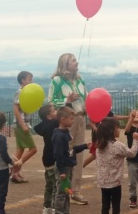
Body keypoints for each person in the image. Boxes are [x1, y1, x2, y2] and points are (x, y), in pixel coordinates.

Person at [48, 53, 88, 205]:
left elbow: (87, 96)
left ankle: (75, 191)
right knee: (67, 155)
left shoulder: (80, 78)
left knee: (78, 155)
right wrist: (67, 100)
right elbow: (51, 101)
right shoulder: (57, 81)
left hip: (80, 117)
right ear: (65, 64)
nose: (76, 62)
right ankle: (64, 190)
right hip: (66, 121)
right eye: (73, 61)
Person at [95, 117, 138, 214]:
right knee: (116, 206)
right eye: (117, 128)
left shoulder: (99, 145)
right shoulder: (117, 145)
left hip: (103, 182)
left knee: (105, 205)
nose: (119, 130)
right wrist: (136, 140)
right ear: (111, 130)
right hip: (115, 183)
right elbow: (132, 153)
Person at [52, 106, 90, 214]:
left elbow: (71, 149)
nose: (73, 121)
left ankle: (65, 211)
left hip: (68, 167)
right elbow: (58, 155)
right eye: (71, 119)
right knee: (61, 194)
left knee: (67, 192)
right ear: (63, 119)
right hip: (63, 168)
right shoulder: (59, 135)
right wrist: (62, 171)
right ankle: (59, 211)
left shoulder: (66, 133)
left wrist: (85, 146)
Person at [34, 103, 70, 214]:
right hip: (54, 158)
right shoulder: (54, 124)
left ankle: (47, 207)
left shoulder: (43, 126)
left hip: (46, 158)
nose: (56, 112)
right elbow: (65, 118)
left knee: (49, 184)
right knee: (56, 185)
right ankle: (55, 207)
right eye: (54, 111)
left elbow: (36, 127)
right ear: (49, 116)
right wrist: (68, 103)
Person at [0, 112, 22, 214]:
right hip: (1, 168)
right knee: (2, 190)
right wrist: (12, 163)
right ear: (3, 124)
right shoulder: (1, 138)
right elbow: (3, 154)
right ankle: (1, 209)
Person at [11, 71, 37, 183]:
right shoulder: (20, 92)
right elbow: (16, 109)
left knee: (20, 149)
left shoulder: (26, 92)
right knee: (33, 149)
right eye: (29, 79)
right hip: (20, 124)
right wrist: (23, 125)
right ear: (23, 81)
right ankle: (14, 169)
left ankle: (14, 173)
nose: (31, 81)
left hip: (22, 124)